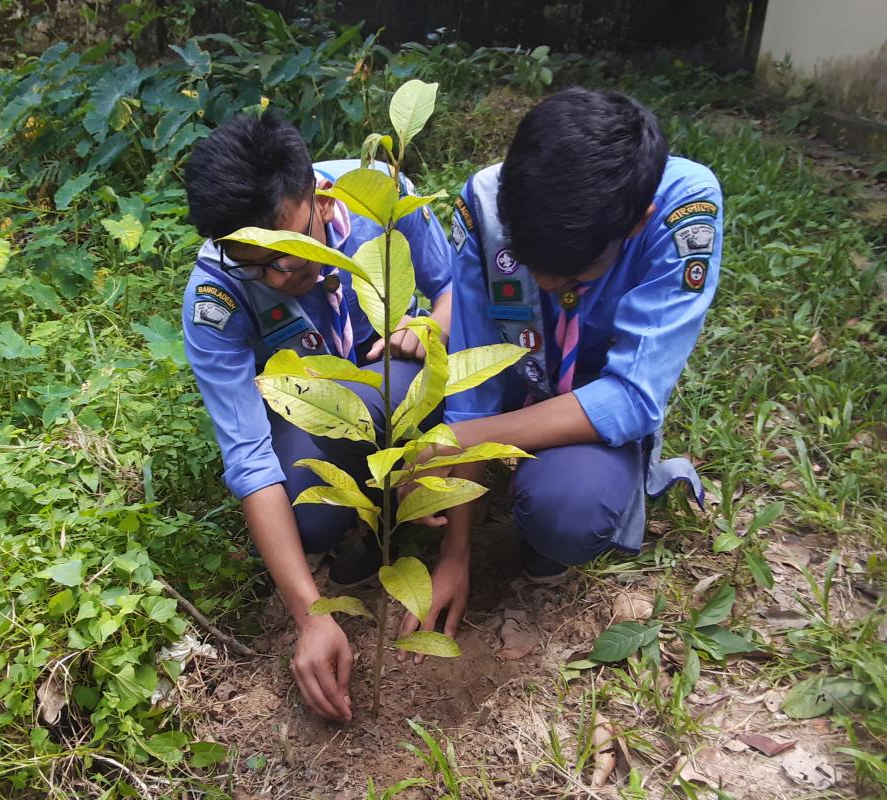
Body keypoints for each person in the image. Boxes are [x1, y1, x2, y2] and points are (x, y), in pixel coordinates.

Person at [397, 87, 723, 650]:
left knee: (569, 510)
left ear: (635, 223)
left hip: (591, 409)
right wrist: (455, 555)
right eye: (531, 261)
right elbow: (472, 389)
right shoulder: (485, 202)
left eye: (573, 272)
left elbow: (631, 396)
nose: (547, 282)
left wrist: (461, 441)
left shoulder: (681, 213)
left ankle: (554, 505)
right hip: (521, 390)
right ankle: (517, 476)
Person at [181, 110, 453, 720]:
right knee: (305, 510)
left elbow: (452, 289)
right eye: (256, 264)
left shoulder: (382, 195)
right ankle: (366, 511)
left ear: (321, 200)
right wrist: (311, 615)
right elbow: (248, 456)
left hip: (401, 384)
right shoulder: (216, 297)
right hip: (321, 414)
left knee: (395, 376)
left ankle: (410, 492)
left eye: (293, 250)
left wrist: (429, 329)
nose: (279, 276)